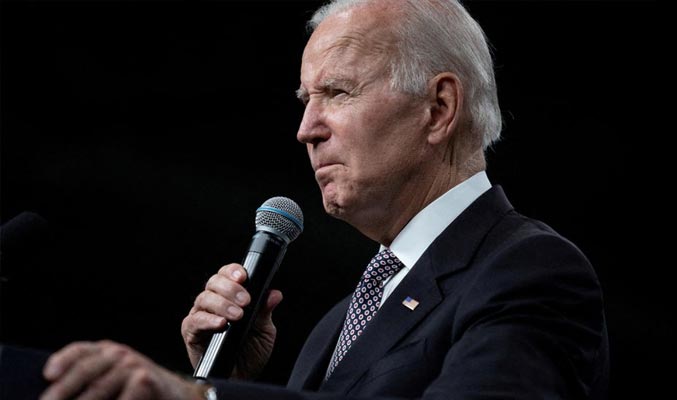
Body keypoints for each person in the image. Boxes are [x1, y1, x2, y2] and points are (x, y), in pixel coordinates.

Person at [39, 0, 609, 399]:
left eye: (337, 92)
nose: (306, 129)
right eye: (305, 99)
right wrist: (223, 382)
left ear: (438, 109)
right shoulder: (337, 323)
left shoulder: (528, 270)